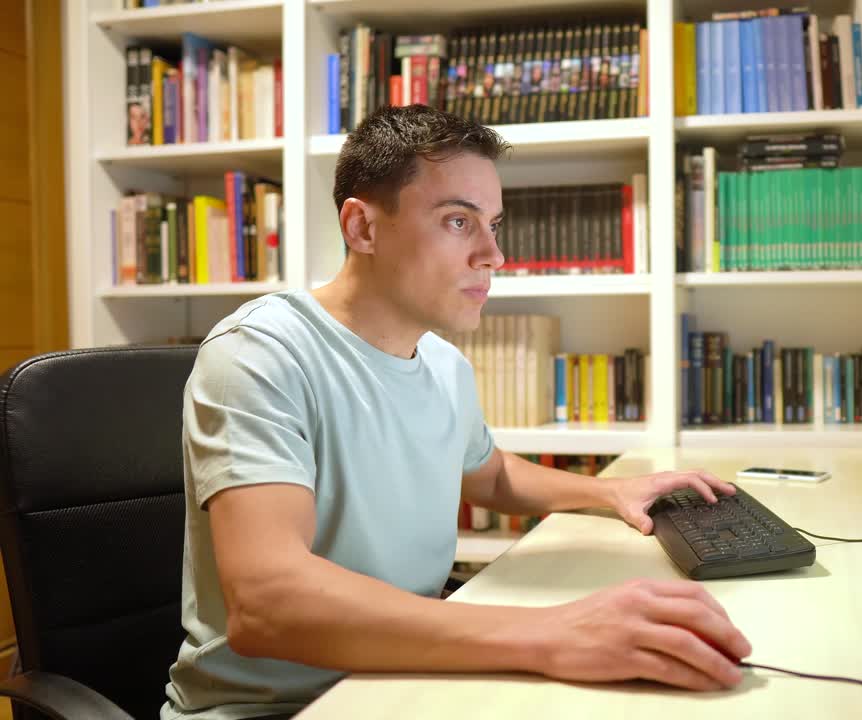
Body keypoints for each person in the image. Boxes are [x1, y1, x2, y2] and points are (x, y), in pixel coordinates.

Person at [160, 104, 752, 720]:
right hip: (277, 709)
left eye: (493, 224)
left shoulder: (442, 363)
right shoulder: (260, 354)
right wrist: (553, 634)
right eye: (457, 222)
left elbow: (487, 472)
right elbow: (267, 605)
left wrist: (614, 492)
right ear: (362, 227)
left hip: (407, 680)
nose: (493, 254)